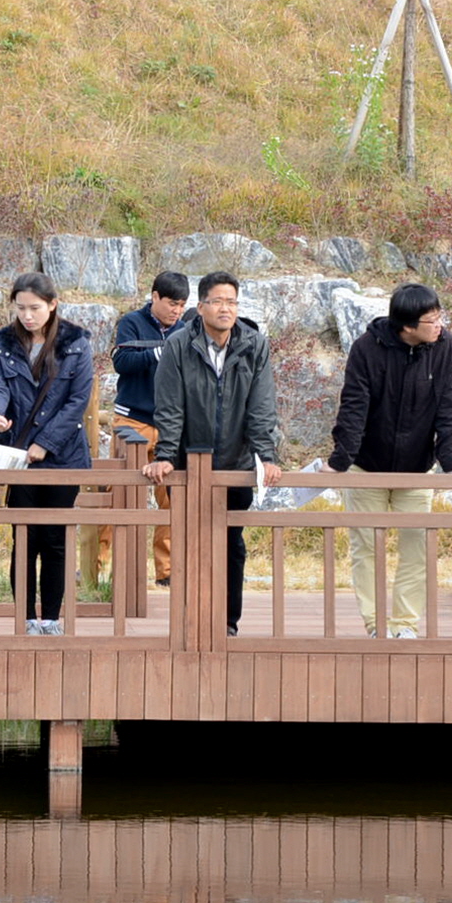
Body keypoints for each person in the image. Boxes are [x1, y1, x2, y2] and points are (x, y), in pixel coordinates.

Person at [143, 272, 279, 637]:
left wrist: (266, 455)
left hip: (235, 462)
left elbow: (262, 405)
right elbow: (169, 404)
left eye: (231, 301)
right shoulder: (178, 345)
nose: (225, 308)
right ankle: (192, 619)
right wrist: (167, 454)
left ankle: (227, 622)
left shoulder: (254, 345)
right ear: (200, 306)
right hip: (189, 461)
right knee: (189, 543)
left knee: (231, 544)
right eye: (217, 301)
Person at [328, 282, 452, 638]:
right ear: (407, 326)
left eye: (440, 317)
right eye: (431, 320)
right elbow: (354, 407)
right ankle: (376, 625)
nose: (439, 325)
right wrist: (341, 460)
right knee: (366, 548)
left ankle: (405, 625)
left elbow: (449, 406)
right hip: (367, 463)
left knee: (417, 548)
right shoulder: (366, 349)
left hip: (417, 465)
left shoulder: (445, 346)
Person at [0, 273, 95, 636]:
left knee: (55, 538)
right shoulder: (5, 342)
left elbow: (77, 402)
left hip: (62, 455)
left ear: (53, 304)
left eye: (35, 308)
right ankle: (24, 618)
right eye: (21, 308)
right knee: (24, 537)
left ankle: (50, 617)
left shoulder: (76, 343)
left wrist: (45, 443)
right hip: (18, 452)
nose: (28, 316)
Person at [110, 271, 189, 589]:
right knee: (117, 493)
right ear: (154, 296)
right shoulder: (131, 321)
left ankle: (166, 571)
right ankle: (103, 568)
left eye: (182, 305)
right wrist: (161, 351)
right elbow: (122, 362)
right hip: (132, 420)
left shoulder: (186, 328)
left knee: (171, 497)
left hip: (170, 424)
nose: (177, 311)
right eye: (172, 303)